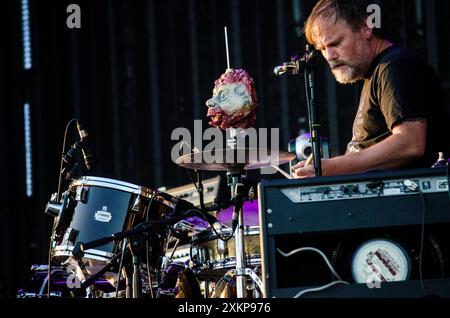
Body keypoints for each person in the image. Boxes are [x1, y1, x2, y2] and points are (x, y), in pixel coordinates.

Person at [293, 0, 449, 178]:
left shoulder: (395, 66)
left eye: (335, 43)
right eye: (322, 49)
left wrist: (332, 168)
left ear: (366, 28)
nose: (329, 56)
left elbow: (410, 143)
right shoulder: (377, 71)